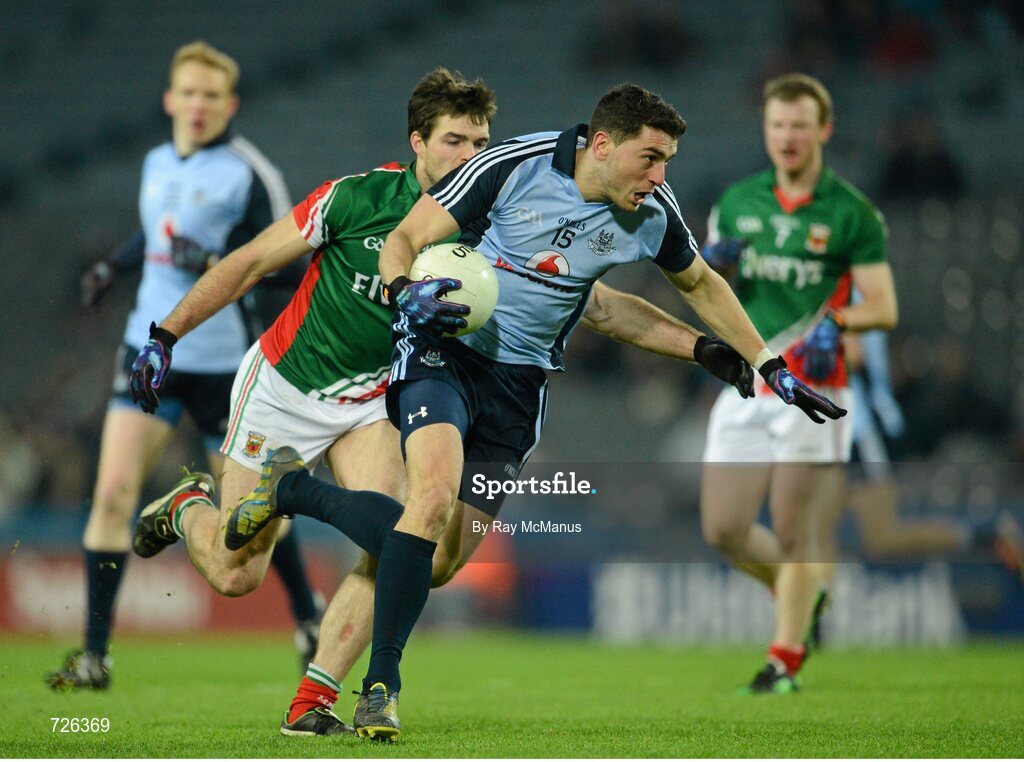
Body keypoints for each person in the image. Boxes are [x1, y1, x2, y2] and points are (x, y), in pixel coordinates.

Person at [125, 70, 759, 738]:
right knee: (234, 573)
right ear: (417, 142)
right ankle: (189, 506)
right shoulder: (358, 199)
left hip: (376, 398)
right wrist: (166, 333)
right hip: (288, 384)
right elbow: (251, 261)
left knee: (405, 545)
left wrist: (697, 346)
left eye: (479, 141)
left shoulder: (486, 213)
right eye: (453, 141)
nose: (468, 156)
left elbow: (585, 299)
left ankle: (314, 699)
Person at [46, 41, 322, 691]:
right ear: (171, 99)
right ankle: (94, 655)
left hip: (227, 364)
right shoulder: (155, 162)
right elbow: (161, 230)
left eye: (211, 95)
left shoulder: (249, 173)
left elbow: (291, 260)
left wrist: (217, 263)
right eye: (188, 93)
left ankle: (307, 616)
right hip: (150, 352)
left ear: (231, 104)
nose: (198, 105)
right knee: (112, 491)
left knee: (252, 512)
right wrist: (114, 264)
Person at [698, 72, 898, 694]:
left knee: (793, 528)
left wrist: (838, 321)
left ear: (823, 130)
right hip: (748, 382)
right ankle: (803, 591)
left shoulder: (851, 213)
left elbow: (884, 305)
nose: (787, 136)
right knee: (724, 529)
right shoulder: (735, 202)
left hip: (816, 391)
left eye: (799, 125)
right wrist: (714, 266)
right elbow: (702, 288)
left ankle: (783, 661)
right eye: (777, 124)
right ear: (767, 129)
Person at [813, 328, 1024, 606]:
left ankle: (986, 534)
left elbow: (854, 354)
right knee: (820, 529)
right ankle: (811, 624)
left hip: (860, 439)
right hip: (830, 433)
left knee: (880, 539)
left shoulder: (842, 302)